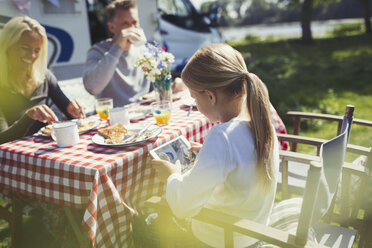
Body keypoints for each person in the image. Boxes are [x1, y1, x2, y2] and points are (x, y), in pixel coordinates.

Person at [151, 44, 280, 247]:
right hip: (252, 235)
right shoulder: (262, 121)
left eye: (194, 98)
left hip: (219, 239)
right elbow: (243, 160)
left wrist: (172, 175)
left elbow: (183, 206)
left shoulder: (222, 137)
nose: (194, 103)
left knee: (148, 224)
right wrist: (209, 154)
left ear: (211, 97)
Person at [0, 16, 85, 144]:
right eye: (24, 48)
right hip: (14, 159)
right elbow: (2, 139)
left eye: (37, 50)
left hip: (43, 154)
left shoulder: (45, 76)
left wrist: (74, 110)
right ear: (7, 46)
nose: (32, 55)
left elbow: (69, 114)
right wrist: (28, 117)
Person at [83, 0, 150, 107]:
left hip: (143, 112)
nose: (132, 28)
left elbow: (154, 87)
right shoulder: (97, 51)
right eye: (125, 23)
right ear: (112, 27)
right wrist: (118, 47)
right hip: (115, 116)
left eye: (134, 22)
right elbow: (92, 88)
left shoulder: (143, 50)